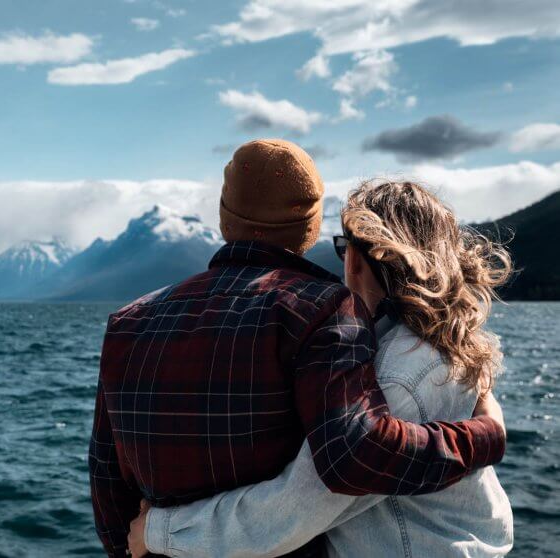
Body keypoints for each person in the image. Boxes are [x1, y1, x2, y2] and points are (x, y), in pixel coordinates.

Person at [89, 140, 507, 558]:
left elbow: (108, 479)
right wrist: (486, 437)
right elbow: (348, 461)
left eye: (345, 249)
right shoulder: (325, 312)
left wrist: (149, 537)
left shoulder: (129, 320)